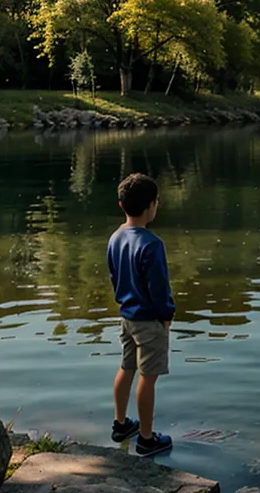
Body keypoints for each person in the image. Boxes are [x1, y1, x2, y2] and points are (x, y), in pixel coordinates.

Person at [107, 173, 175, 457]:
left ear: (121, 205)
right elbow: (158, 287)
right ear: (152, 206)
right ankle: (147, 438)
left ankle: (121, 424)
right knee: (148, 376)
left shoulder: (116, 237)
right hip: (150, 320)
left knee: (127, 367)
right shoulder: (151, 243)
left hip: (127, 316)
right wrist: (167, 314)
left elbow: (115, 276)